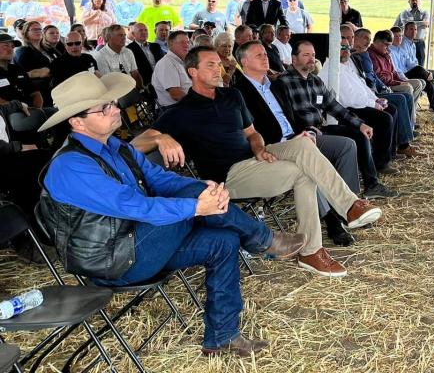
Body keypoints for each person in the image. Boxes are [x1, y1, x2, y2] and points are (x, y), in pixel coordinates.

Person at [37, 71, 306, 357]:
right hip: (112, 260)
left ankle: (222, 337)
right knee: (194, 201)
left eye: (113, 102)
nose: (116, 109)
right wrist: (197, 205)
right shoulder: (71, 166)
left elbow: (160, 179)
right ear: (77, 121)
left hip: (138, 240)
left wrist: (202, 187)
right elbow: (137, 206)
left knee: (224, 240)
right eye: (104, 107)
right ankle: (264, 240)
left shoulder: (116, 147)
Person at [134, 46, 383, 276]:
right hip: (229, 175)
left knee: (303, 145)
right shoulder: (181, 112)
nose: (218, 69)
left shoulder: (232, 95)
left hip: (255, 159)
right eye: (210, 65)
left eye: (218, 64)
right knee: (304, 173)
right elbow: (134, 145)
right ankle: (318, 244)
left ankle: (347, 209)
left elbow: (252, 133)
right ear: (193, 72)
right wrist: (162, 138)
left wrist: (259, 148)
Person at [232, 42, 362, 246]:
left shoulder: (275, 85)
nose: (266, 57)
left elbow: (292, 116)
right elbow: (250, 131)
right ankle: (333, 220)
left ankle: (350, 207)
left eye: (266, 53)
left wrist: (306, 130)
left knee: (346, 145)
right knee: (306, 161)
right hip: (273, 145)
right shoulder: (238, 92)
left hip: (295, 137)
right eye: (259, 55)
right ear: (244, 62)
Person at [276, 39, 398, 199]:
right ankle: (347, 197)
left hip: (321, 128)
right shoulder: (283, 82)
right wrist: (306, 130)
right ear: (294, 59)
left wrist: (360, 124)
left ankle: (372, 185)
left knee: (359, 134)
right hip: (304, 135)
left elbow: (334, 106)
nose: (311, 59)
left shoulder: (315, 80)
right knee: (349, 143)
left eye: (313, 55)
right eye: (306, 55)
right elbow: (285, 117)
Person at [322, 32, 417, 166]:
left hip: (362, 101)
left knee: (392, 109)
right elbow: (350, 97)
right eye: (343, 48)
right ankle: (381, 163)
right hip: (347, 109)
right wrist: (373, 103)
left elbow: (362, 85)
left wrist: (375, 99)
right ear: (332, 49)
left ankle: (390, 154)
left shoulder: (346, 64)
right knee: (385, 118)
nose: (347, 51)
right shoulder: (332, 70)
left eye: (348, 47)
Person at [13, 21, 57, 105]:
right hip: (40, 94)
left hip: (56, 89)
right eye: (34, 29)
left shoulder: (48, 48)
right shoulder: (23, 51)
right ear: (26, 33)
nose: (38, 31)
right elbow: (25, 75)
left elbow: (61, 63)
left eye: (40, 29)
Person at [152, 30, 192, 108]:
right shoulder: (167, 63)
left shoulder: (182, 61)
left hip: (185, 104)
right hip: (174, 108)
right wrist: (199, 104)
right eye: (182, 42)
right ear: (170, 44)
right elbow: (176, 94)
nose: (186, 45)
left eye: (188, 42)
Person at [0, 33, 40, 108]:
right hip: (7, 114)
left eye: (12, 46)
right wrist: (18, 107)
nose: (10, 49)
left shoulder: (17, 69)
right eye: (5, 46)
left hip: (30, 110)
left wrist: (37, 109)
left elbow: (35, 93)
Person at [394, 0, 429, 65]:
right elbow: (406, 24)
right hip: (406, 42)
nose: (414, 2)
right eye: (412, 0)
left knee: (420, 64)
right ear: (409, 2)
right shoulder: (404, 13)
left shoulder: (425, 12)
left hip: (420, 43)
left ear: (419, 1)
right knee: (407, 64)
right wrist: (421, 23)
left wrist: (411, 23)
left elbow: (426, 23)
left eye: (416, 0)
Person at [126, 22, 161, 86]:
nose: (144, 32)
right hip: (145, 84)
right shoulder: (129, 49)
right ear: (133, 34)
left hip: (161, 80)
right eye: (140, 30)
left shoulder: (156, 46)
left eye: (146, 30)